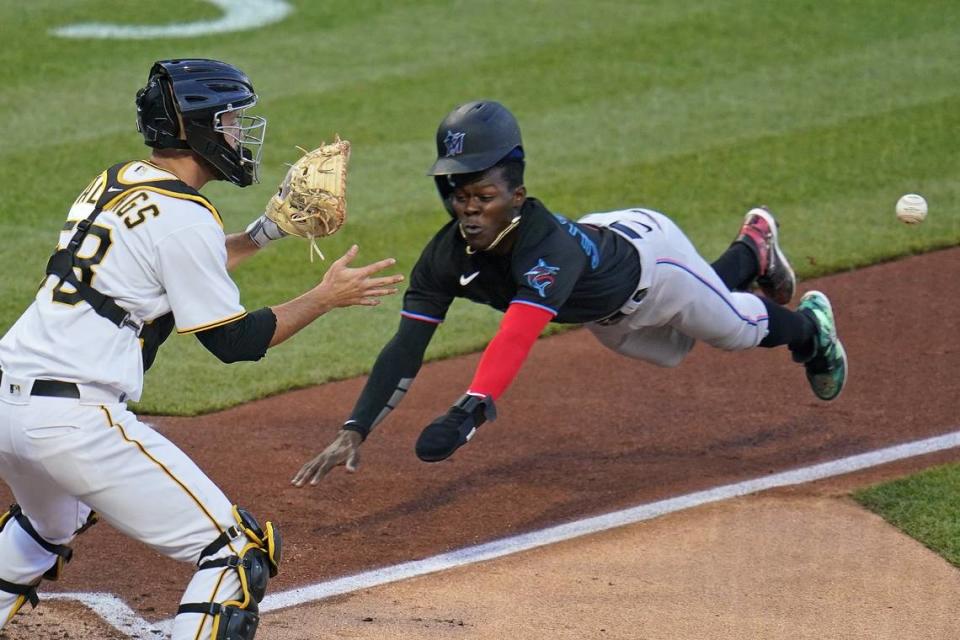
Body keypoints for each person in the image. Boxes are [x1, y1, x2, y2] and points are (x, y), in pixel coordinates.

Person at [0, 59, 402, 640]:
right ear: (195, 129)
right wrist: (324, 296)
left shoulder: (117, 181)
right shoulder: (185, 218)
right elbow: (233, 342)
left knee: (48, 525)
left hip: (11, 407)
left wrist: (268, 232)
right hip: (72, 420)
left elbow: (171, 265)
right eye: (231, 121)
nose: (240, 134)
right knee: (236, 554)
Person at [291, 99, 847, 485]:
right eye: (458, 195)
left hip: (657, 265)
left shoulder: (547, 249)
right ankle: (752, 254)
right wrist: (356, 428)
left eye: (483, 195)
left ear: (517, 193)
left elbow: (517, 335)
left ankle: (812, 333)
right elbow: (406, 346)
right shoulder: (445, 255)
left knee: (736, 329)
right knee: (676, 347)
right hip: (607, 312)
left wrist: (471, 409)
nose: (469, 209)